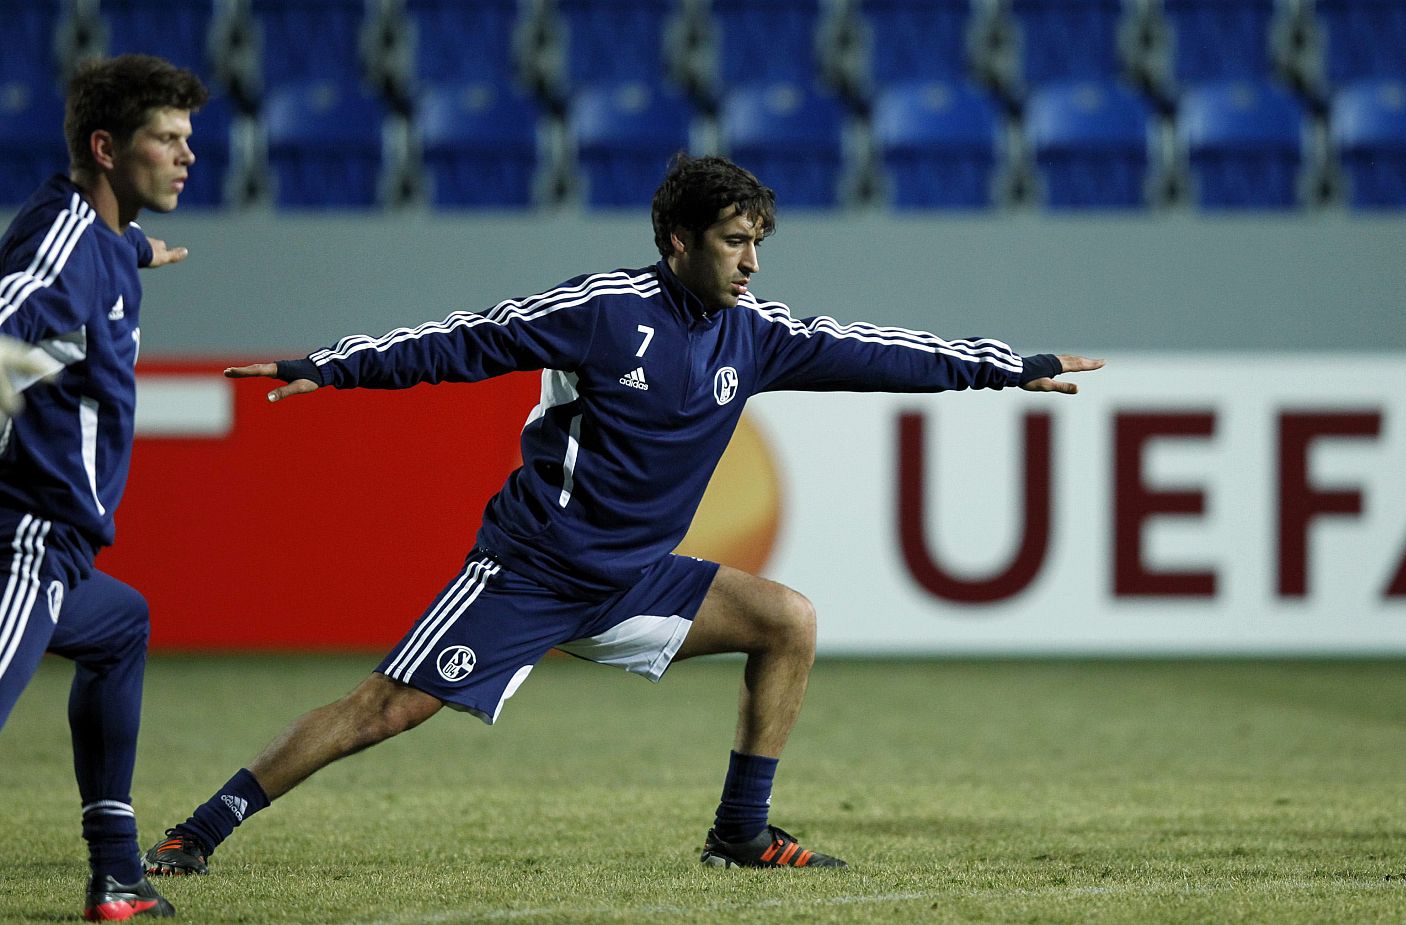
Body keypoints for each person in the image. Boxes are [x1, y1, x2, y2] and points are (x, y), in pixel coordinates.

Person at [143, 154, 1103, 877]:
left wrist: (1006, 365)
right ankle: (200, 829)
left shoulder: (753, 333)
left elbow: (877, 352)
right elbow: (467, 341)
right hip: (534, 568)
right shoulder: (603, 311)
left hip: (635, 576)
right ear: (677, 241)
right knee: (389, 707)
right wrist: (332, 363)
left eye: (759, 241)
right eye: (735, 240)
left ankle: (739, 833)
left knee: (788, 619)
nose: (752, 261)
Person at [0, 54, 207, 920]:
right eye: (165, 138)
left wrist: (140, 252)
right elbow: (15, 313)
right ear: (105, 146)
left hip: (62, 549)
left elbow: (106, 251)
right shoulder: (64, 248)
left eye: (188, 137)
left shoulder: (105, 238)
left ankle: (118, 872)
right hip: (22, 537)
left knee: (121, 625)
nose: (186, 155)